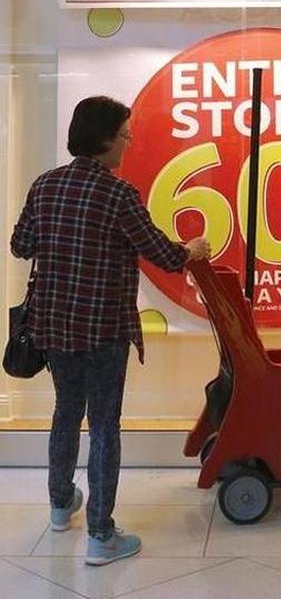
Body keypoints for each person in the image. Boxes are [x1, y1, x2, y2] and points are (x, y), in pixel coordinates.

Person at [9, 96, 211, 566]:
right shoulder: (118, 194)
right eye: (124, 134)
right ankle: (101, 534)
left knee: (65, 411)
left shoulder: (46, 185)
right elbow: (163, 254)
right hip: (103, 328)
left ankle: (61, 504)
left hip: (54, 324)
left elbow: (21, 245)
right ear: (104, 139)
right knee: (103, 425)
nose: (128, 142)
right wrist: (194, 249)